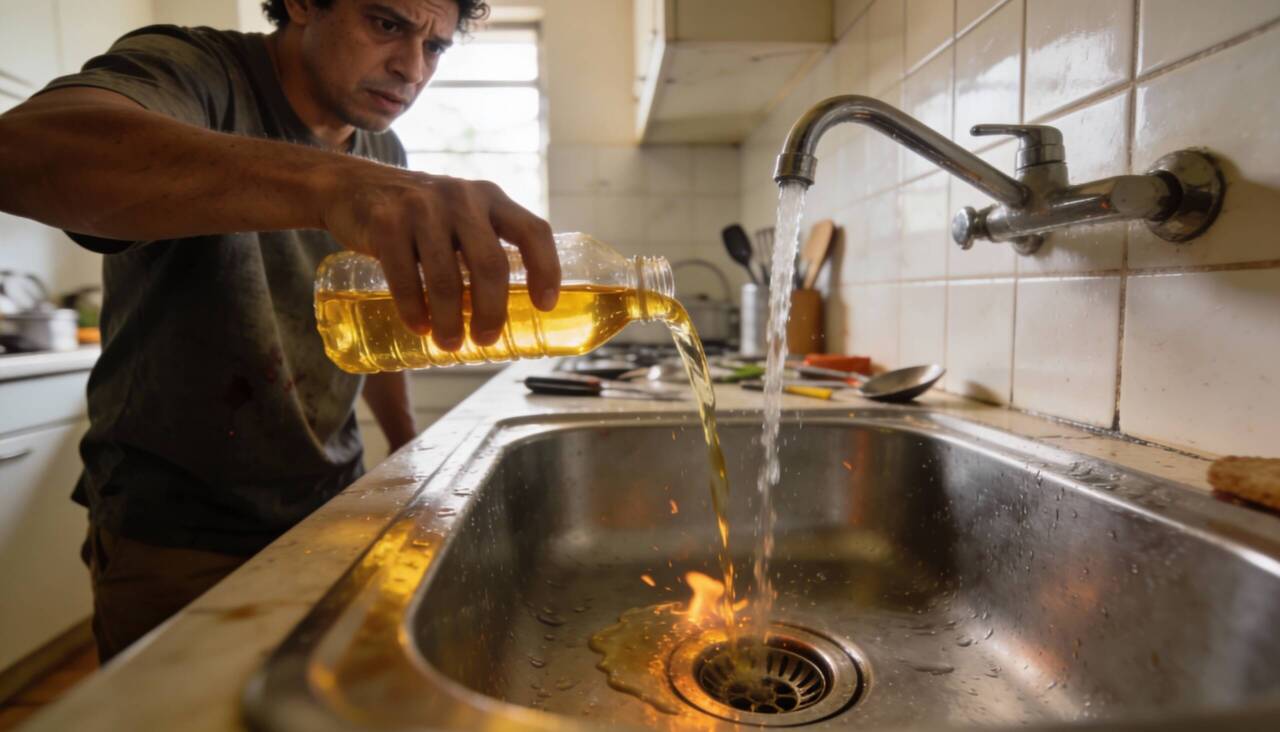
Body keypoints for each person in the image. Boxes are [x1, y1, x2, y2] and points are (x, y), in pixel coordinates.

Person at [0, 0, 560, 662]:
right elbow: (25, 151)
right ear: (301, 4)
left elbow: (381, 325)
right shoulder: (197, 72)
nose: (412, 67)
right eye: (386, 24)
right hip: (180, 524)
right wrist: (335, 185)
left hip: (331, 502)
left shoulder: (382, 145)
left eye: (435, 47)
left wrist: (409, 448)